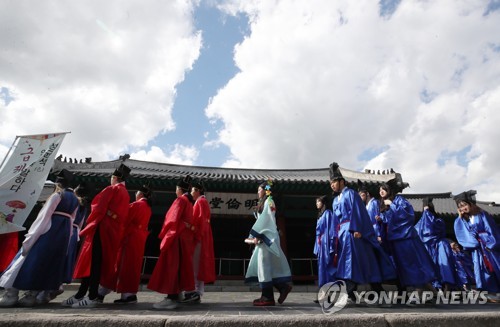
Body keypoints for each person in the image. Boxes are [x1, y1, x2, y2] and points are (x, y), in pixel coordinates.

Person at [0, 169, 79, 307]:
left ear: (57, 182)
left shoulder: (57, 196)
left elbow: (43, 217)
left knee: (26, 259)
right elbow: (72, 220)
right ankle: (32, 295)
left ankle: (10, 295)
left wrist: (31, 237)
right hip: (63, 234)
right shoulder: (75, 200)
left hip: (48, 230)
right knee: (46, 263)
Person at [63, 164, 131, 308]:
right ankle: (84, 294)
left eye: (111, 177)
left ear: (115, 178)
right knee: (99, 262)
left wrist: (90, 224)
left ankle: (91, 295)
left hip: (102, 227)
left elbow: (98, 207)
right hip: (114, 231)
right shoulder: (126, 193)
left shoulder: (111, 189)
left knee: (93, 262)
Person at [328, 163, 396, 304]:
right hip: (342, 234)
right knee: (353, 262)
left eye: (334, 182)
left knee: (356, 261)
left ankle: (352, 291)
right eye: (330, 183)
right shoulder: (335, 200)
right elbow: (335, 220)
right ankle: (358, 292)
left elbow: (358, 211)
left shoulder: (351, 194)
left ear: (342, 182)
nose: (332, 185)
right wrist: (334, 235)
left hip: (352, 232)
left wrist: (357, 229)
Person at [377, 178, 437, 304]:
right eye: (380, 189)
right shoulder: (385, 204)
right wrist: (381, 220)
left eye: (384, 189)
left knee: (412, 263)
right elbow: (389, 221)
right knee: (404, 265)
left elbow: (407, 215)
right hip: (395, 238)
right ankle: (430, 290)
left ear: (390, 190)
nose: (381, 191)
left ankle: (419, 289)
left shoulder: (399, 200)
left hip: (406, 237)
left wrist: (391, 205)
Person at [149, 175, 198, 310]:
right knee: (179, 267)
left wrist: (165, 235)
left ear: (179, 189)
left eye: (176, 188)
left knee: (172, 267)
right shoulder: (189, 203)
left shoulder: (180, 201)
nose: (175, 191)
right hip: (184, 239)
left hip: (176, 237)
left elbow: (172, 220)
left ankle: (171, 297)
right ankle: (177, 294)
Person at [245, 179, 292, 306]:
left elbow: (268, 219)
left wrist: (258, 235)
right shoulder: (265, 202)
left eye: (259, 190)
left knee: (264, 266)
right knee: (266, 266)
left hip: (266, 238)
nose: (258, 192)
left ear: (265, 191)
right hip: (265, 237)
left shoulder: (269, 201)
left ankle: (268, 297)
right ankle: (282, 287)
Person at [453, 190, 500, 302]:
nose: (463, 208)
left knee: (493, 268)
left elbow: (491, 229)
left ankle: (496, 291)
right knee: (481, 269)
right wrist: (460, 218)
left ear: (471, 203)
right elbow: (463, 232)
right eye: (460, 207)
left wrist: (491, 244)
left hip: (488, 247)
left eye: (464, 205)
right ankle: (490, 292)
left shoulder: (482, 214)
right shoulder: (466, 219)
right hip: (478, 249)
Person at [113, 184, 153, 304]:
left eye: (136, 192)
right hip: (140, 238)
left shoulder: (136, 205)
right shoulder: (148, 207)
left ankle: (126, 295)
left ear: (140, 194)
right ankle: (131, 294)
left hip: (131, 237)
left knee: (126, 265)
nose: (135, 194)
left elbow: (124, 218)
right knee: (134, 266)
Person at [414, 198, 461, 292]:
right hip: (426, 247)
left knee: (444, 265)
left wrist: (426, 213)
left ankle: (447, 287)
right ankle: (434, 288)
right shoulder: (421, 222)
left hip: (439, 246)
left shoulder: (438, 220)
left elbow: (430, 230)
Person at [185, 179, 215, 302]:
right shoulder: (202, 201)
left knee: (195, 264)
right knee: (199, 264)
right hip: (203, 235)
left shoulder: (200, 202)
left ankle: (195, 291)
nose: (191, 193)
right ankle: (197, 291)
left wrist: (192, 230)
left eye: (192, 190)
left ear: (197, 190)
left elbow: (200, 221)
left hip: (199, 236)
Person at [313, 195, 337, 291]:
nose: (317, 204)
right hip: (321, 243)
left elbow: (331, 229)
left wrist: (331, 244)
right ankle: (323, 290)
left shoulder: (328, 213)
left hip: (326, 242)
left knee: (328, 265)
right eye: (316, 202)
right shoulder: (320, 215)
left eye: (318, 202)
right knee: (321, 267)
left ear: (323, 203)